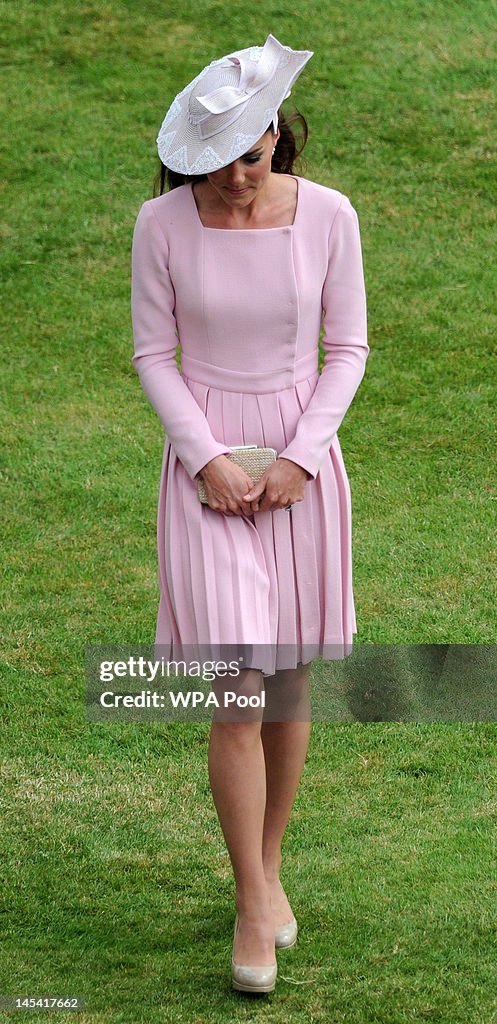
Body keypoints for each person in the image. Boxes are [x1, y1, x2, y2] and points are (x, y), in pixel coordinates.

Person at [130, 34, 369, 994]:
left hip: (302, 466)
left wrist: (302, 459)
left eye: (256, 149)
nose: (242, 171)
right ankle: (247, 905)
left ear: (278, 132)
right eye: (224, 158)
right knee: (237, 683)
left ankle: (269, 868)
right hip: (206, 472)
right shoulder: (160, 225)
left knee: (288, 680)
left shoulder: (331, 217)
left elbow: (345, 347)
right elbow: (154, 354)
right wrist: (210, 460)